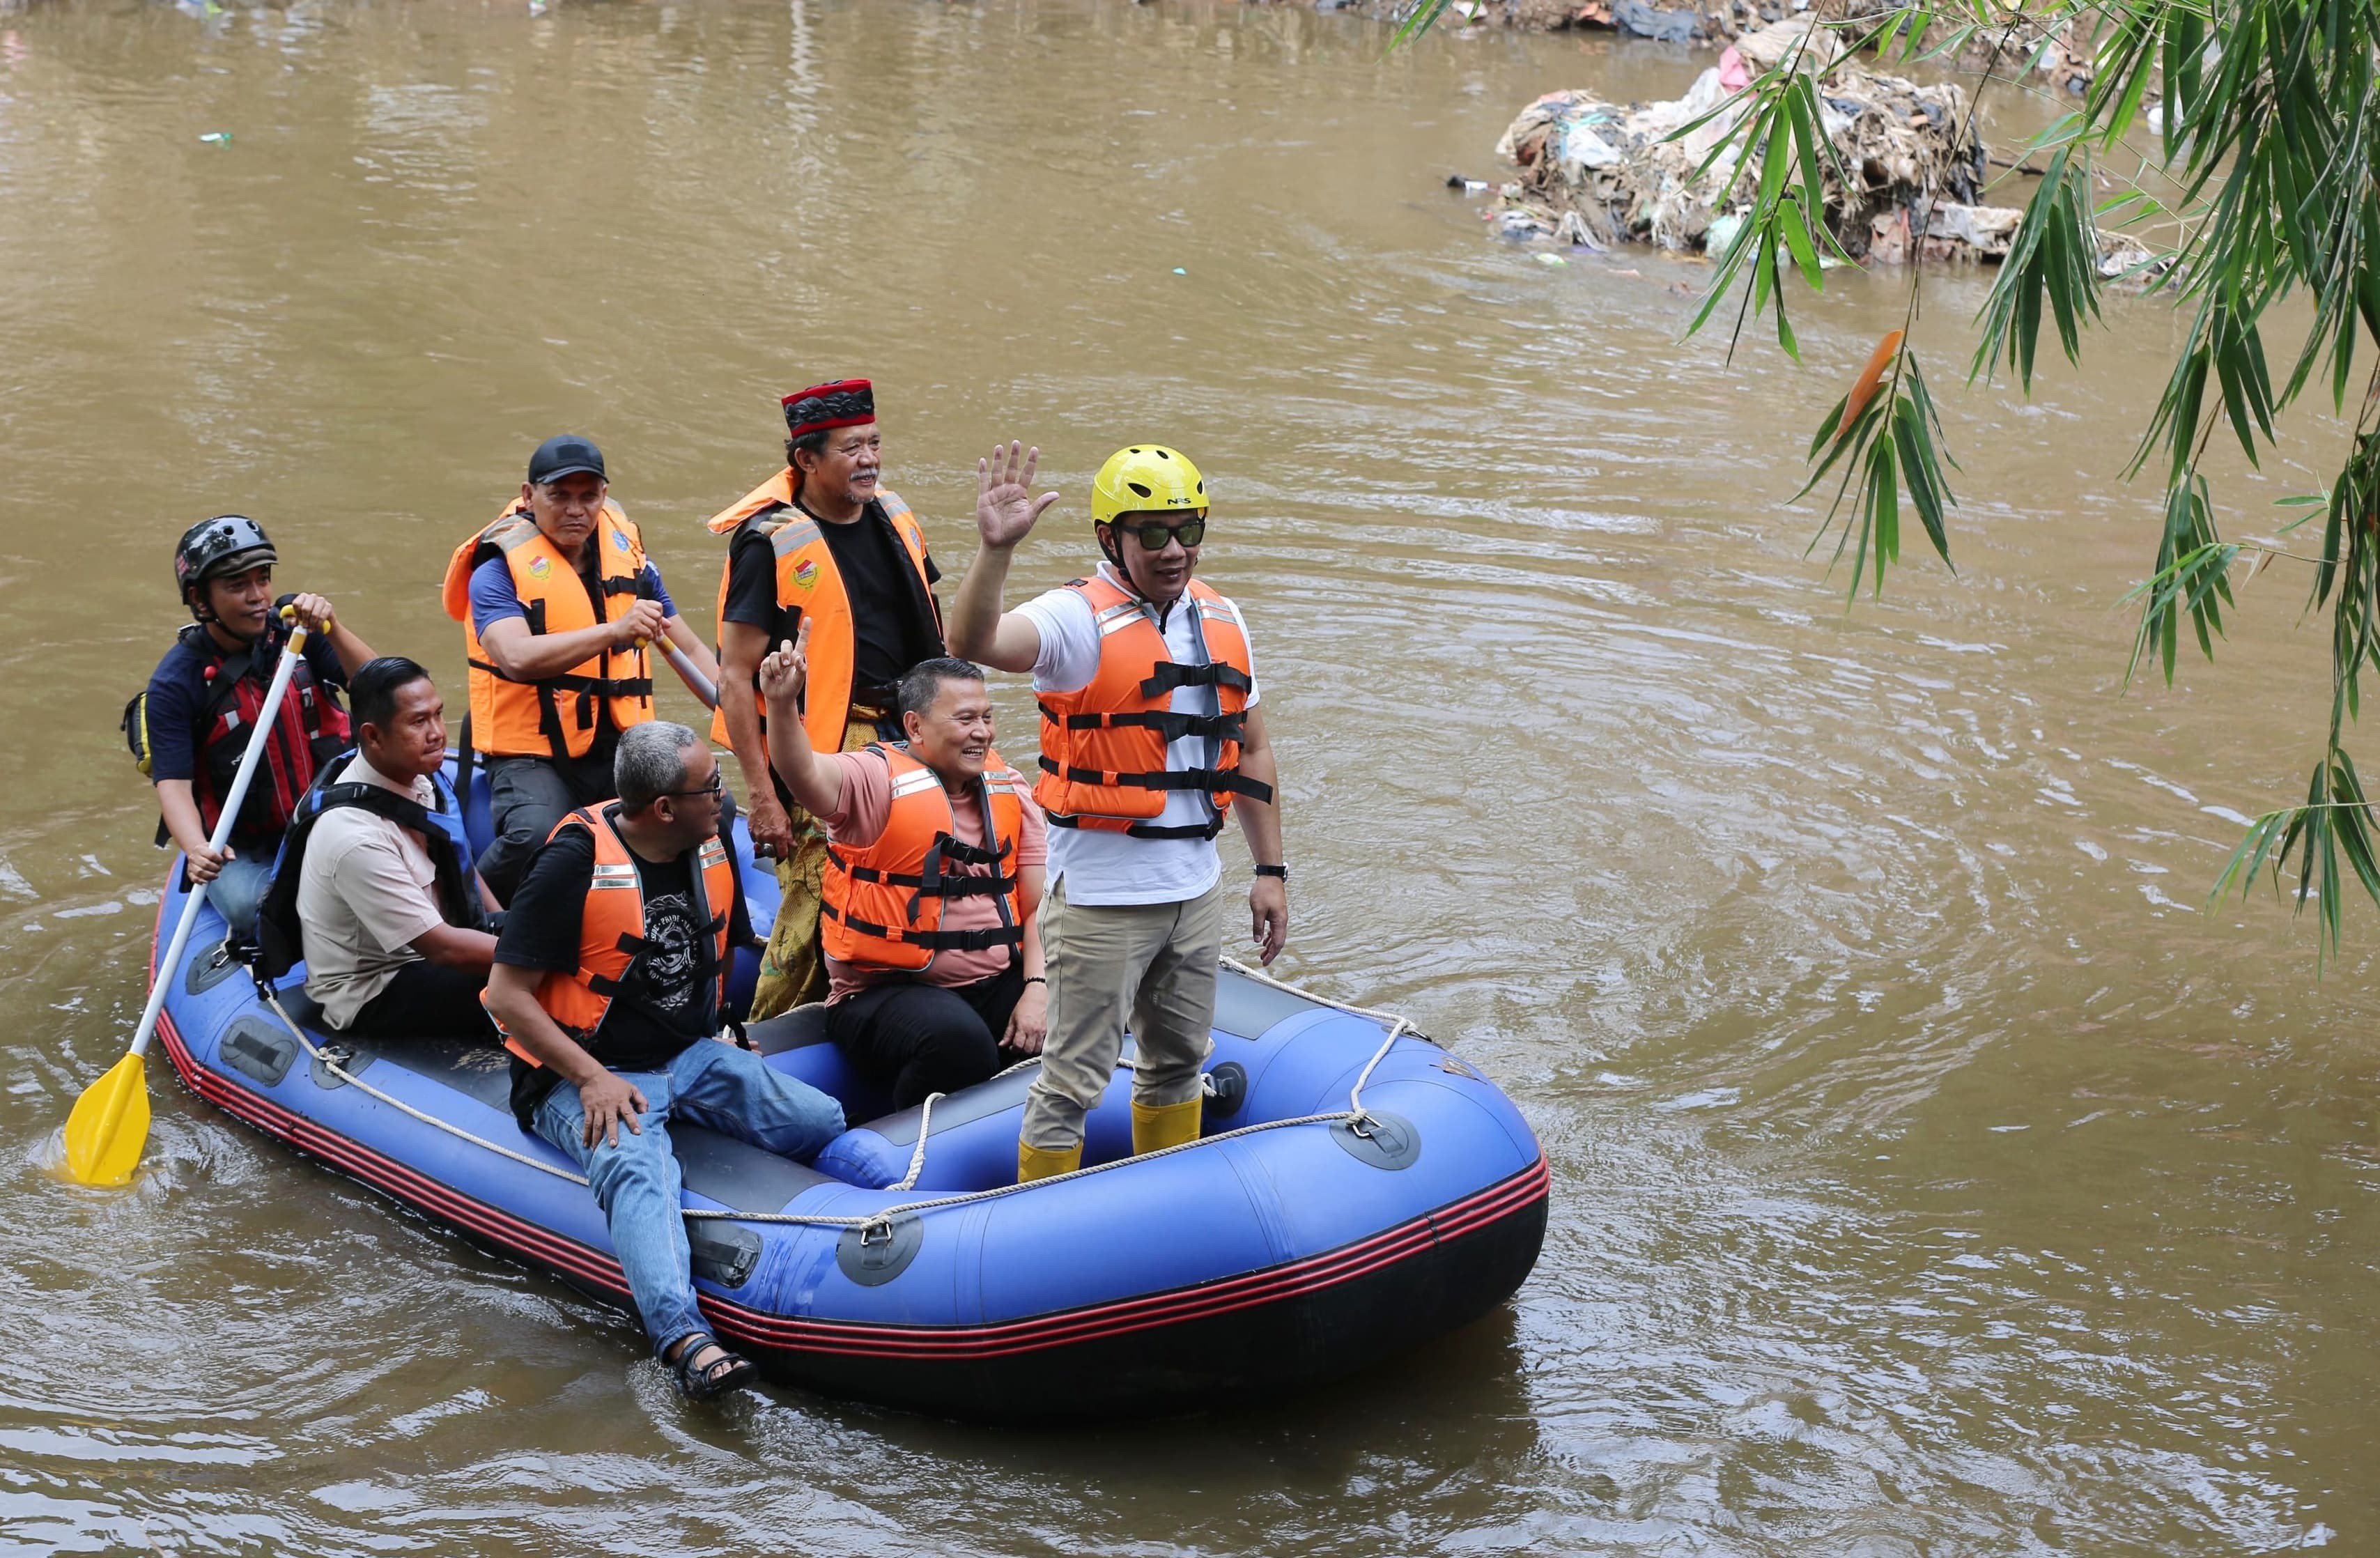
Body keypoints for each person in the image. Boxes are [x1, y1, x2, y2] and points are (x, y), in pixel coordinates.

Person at [946, 442, 1288, 1183]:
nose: (1174, 550)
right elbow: (973, 642)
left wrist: (1270, 870)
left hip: (1194, 893)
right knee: (1071, 1082)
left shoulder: (1221, 615)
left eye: (1187, 530)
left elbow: (1251, 749)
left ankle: (1163, 1207)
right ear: (1110, 538)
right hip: (1101, 901)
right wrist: (993, 551)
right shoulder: (1074, 620)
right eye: (1152, 534)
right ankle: (1045, 1227)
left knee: (1178, 1065)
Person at [482, 721, 845, 1400]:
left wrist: (727, 1031)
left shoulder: (707, 838)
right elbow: (506, 995)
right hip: (583, 1071)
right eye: (709, 787)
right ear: (662, 808)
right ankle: (682, 1339)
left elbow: (718, 948)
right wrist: (590, 1077)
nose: (723, 796)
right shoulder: (574, 862)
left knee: (817, 1119)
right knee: (635, 1167)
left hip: (686, 1053)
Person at [706, 379, 950, 1021]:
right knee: (821, 896)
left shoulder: (894, 516)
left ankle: (898, 1007)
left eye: (874, 443)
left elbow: (934, 626)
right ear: (806, 460)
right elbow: (736, 678)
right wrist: (762, 797)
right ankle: (765, 1034)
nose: (869, 459)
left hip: (914, 730)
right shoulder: (768, 542)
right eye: (851, 448)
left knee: (924, 878)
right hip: (821, 749)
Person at [761, 640, 1048, 1108]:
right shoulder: (871, 780)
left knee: (1091, 1000)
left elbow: (1039, 909)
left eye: (987, 717)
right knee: (958, 1040)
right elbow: (803, 772)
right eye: (965, 719)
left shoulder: (1009, 787)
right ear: (914, 726)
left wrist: (1038, 989)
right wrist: (780, 703)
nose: (982, 733)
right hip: (883, 994)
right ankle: (897, 1142)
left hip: (993, 983)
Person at [442, 434, 721, 905]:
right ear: (529, 497)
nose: (576, 510)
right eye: (560, 496)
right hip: (530, 753)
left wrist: (747, 709)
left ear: (604, 498)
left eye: (588, 497)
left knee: (712, 806)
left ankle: (689, 919)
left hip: (615, 743)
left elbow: (688, 645)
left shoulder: (628, 557)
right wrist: (615, 632)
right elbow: (515, 656)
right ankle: (462, 915)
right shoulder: (497, 567)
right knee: (533, 835)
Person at [126, 516, 376, 936]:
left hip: (326, 812)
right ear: (200, 601)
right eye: (237, 586)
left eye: (263, 580)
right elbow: (173, 785)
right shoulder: (176, 682)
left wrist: (332, 629)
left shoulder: (296, 634)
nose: (258, 596)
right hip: (243, 844)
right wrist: (196, 848)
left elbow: (382, 687)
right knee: (248, 907)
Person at [273, 658, 498, 1042]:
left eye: (439, 715)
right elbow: (442, 948)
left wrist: (506, 921)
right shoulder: (354, 837)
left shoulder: (415, 775)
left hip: (432, 944)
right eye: (418, 722)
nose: (438, 734)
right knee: (534, 989)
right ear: (373, 737)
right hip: (378, 987)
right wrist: (542, 958)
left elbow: (457, 857)